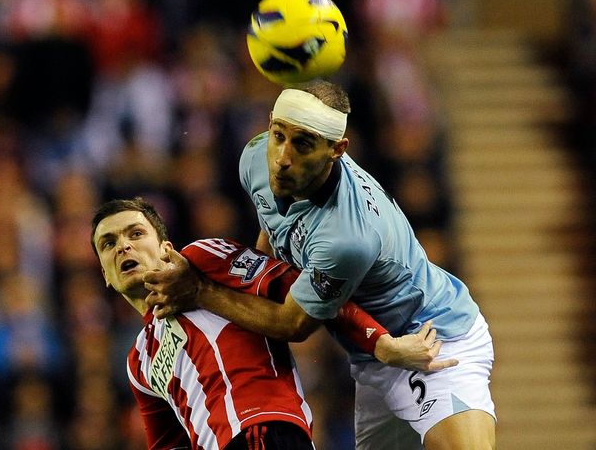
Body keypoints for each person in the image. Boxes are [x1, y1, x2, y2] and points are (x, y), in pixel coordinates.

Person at [143, 80, 496, 449]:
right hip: (373, 356)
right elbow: (273, 241)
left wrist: (200, 291)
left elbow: (292, 323)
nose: (282, 158)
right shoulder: (255, 158)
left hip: (431, 338)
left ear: (337, 150)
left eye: (303, 144)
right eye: (278, 134)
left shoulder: (345, 237)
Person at [90, 197, 439, 450]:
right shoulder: (139, 361)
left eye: (135, 234)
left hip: (262, 431)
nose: (123, 246)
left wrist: (379, 342)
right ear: (105, 274)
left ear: (166, 247)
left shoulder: (201, 260)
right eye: (109, 243)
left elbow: (309, 289)